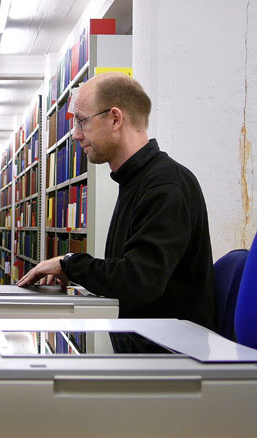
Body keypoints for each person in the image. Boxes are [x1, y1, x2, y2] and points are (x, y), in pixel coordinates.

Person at [17, 72, 215, 330]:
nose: (76, 135)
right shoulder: (137, 180)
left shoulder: (165, 185)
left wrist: (70, 263)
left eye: (81, 121)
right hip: (147, 345)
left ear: (115, 119)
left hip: (172, 358)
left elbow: (139, 282)